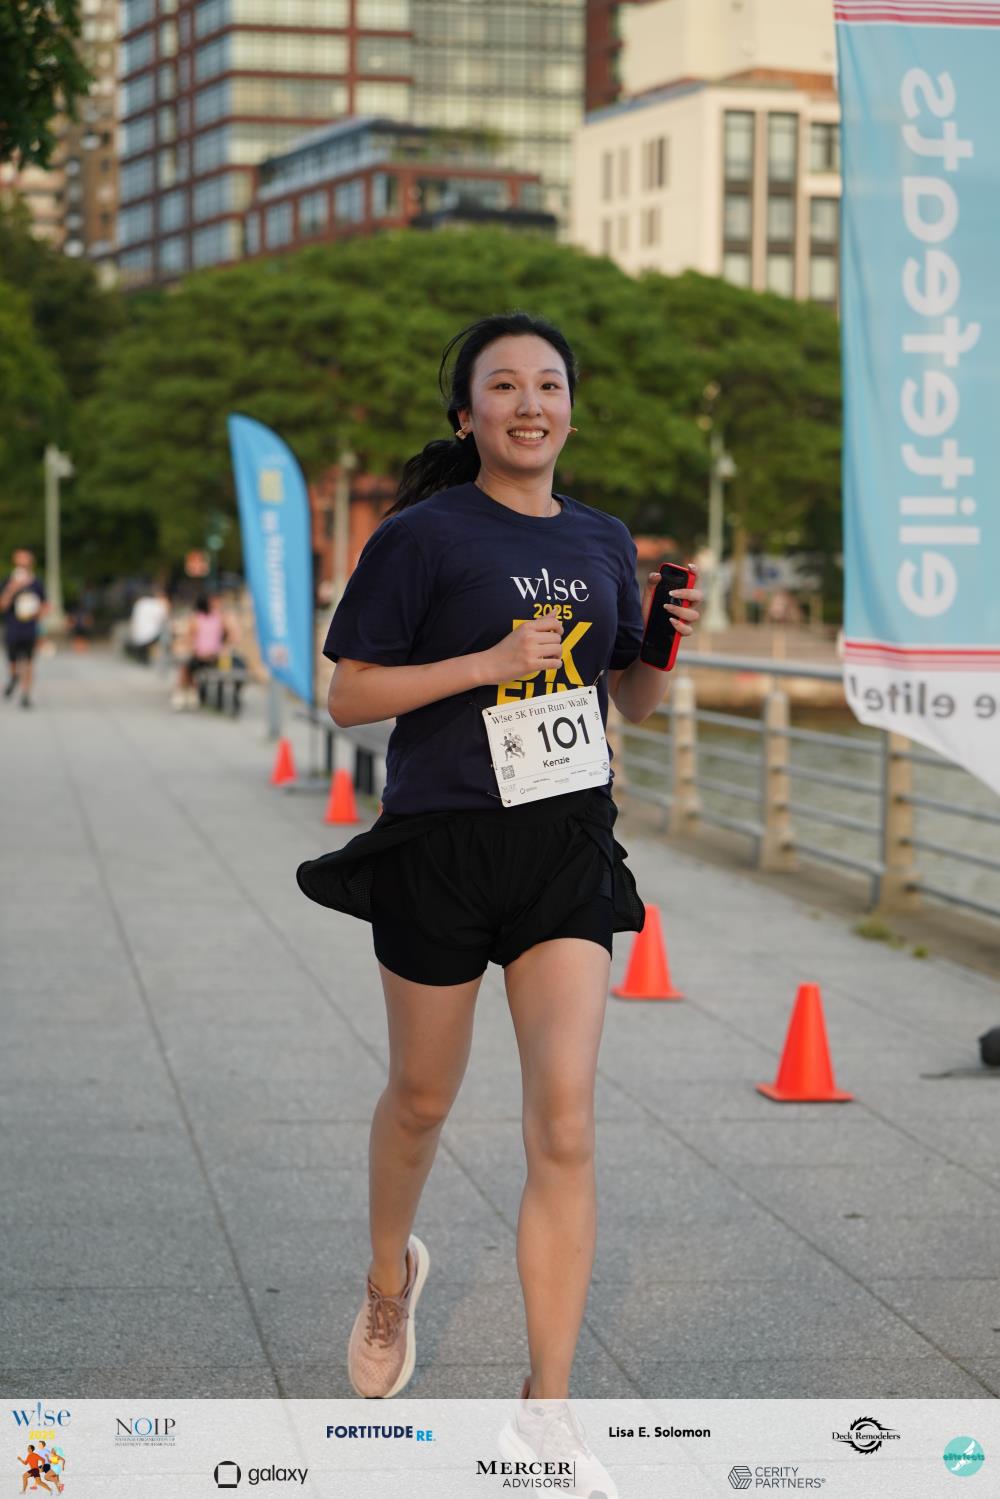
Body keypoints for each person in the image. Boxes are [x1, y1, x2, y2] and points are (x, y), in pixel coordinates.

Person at [296, 314, 701, 1425]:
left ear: (571, 407)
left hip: (565, 842)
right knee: (422, 1096)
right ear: (467, 412)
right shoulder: (421, 537)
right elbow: (348, 696)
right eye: (506, 385)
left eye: (549, 385)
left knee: (564, 1119)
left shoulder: (603, 538)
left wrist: (665, 641)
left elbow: (632, 700)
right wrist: (483, 661)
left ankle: (549, 1405)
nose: (531, 404)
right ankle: (389, 1280)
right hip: (441, 842)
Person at [1, 548, 47, 709]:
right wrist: (13, 588)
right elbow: (2, 605)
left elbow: (45, 605)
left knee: (28, 662)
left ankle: (26, 695)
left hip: (30, 627)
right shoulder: (8, 580)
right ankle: (14, 678)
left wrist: (40, 614)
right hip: (13, 627)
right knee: (13, 660)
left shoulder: (37, 583)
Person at [172, 593, 225, 710]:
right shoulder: (217, 617)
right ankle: (190, 693)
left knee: (185, 666)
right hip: (208, 655)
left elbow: (190, 638)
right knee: (187, 665)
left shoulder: (200, 618)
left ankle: (184, 692)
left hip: (209, 655)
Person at [127, 585, 170, 665]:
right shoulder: (158, 605)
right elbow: (164, 619)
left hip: (136, 633)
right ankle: (162, 658)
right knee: (166, 633)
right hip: (150, 635)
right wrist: (166, 605)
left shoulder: (140, 602)